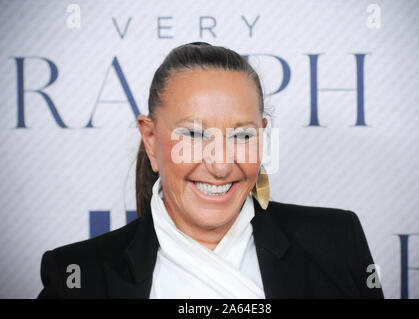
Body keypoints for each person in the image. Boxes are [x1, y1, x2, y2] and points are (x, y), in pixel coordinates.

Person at [38, 42, 384, 299]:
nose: (220, 165)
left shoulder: (337, 243)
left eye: (242, 135)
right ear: (150, 138)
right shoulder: (79, 275)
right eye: (193, 134)